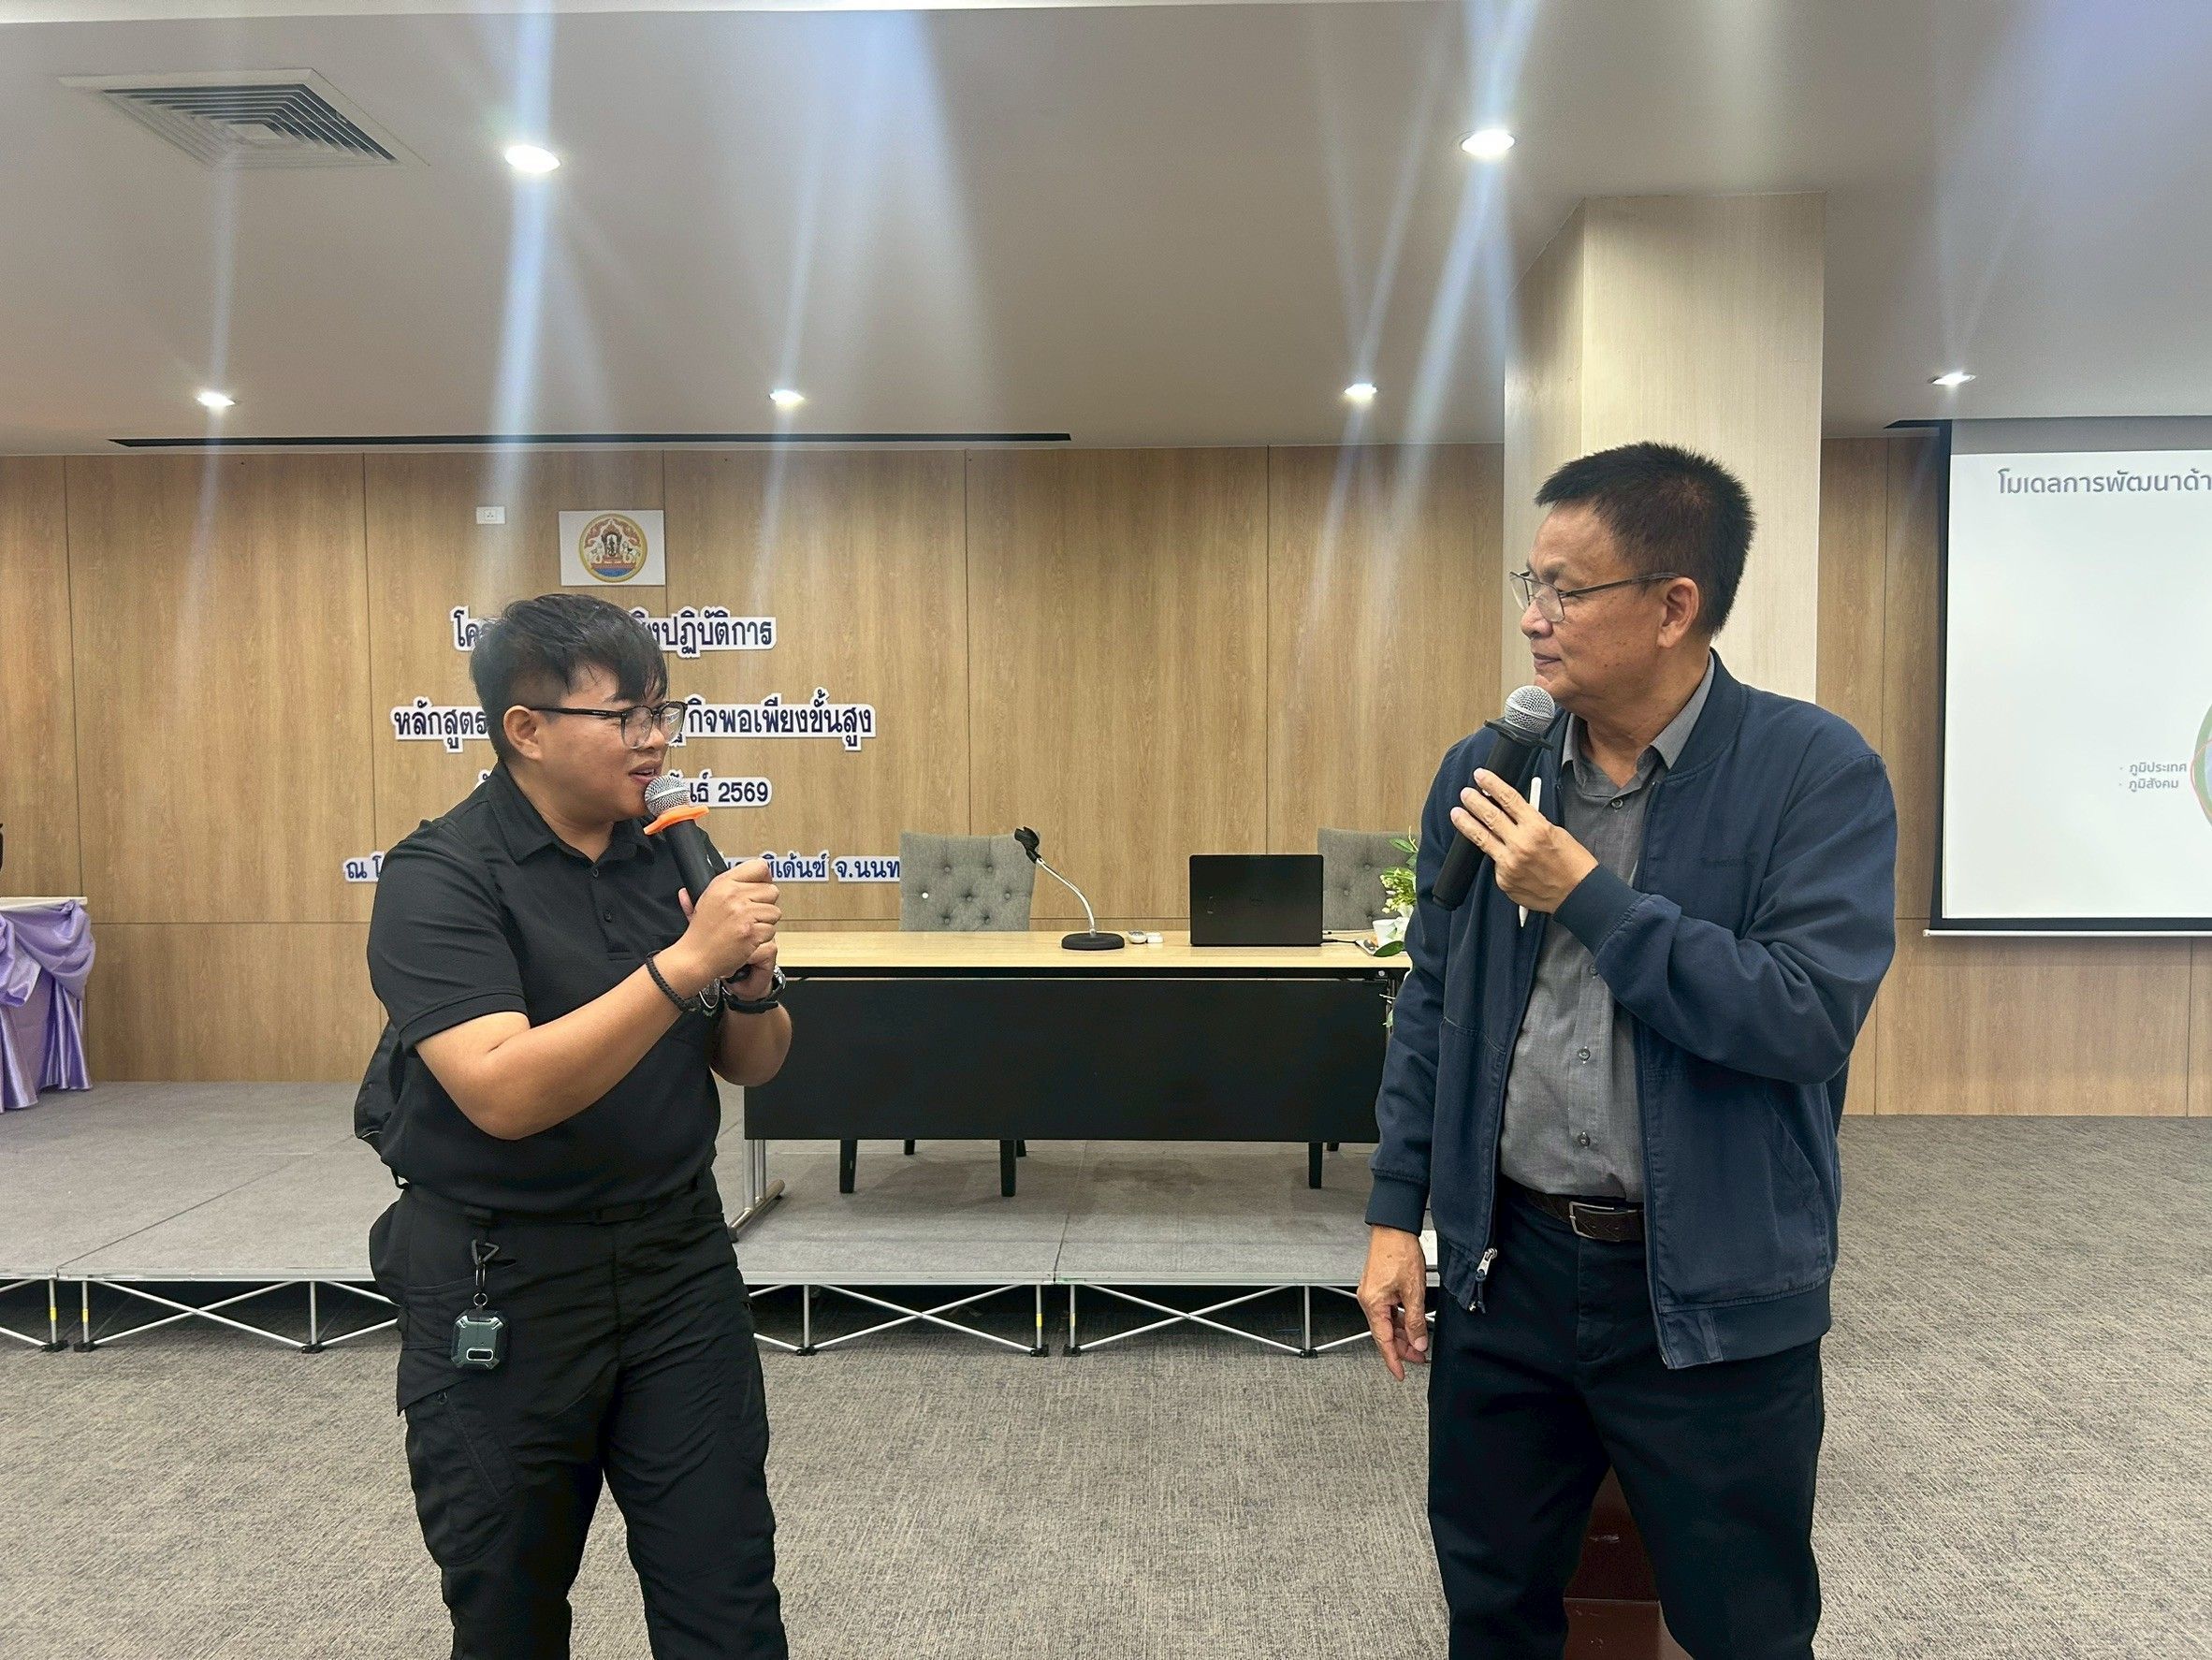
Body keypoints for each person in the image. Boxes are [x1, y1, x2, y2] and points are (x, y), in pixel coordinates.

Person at [1357, 442, 1898, 1659]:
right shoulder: (1489, 768)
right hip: (1508, 1270)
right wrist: (1398, 1215)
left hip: (1713, 1285)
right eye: (1530, 583)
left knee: (1744, 1627)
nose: (1533, 618)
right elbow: (1435, 1001)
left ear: (1673, 605)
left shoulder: (1815, 774)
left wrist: (1588, 894)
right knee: (1494, 1608)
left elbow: (1802, 1015)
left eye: (1567, 588)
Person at [366, 592, 793, 1659]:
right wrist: (686, 964)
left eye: (664, 711)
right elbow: (502, 1091)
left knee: (728, 1599)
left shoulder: (673, 852)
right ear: (526, 728)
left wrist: (750, 988)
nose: (655, 739)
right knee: (507, 1609)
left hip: (677, 1261)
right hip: (502, 1276)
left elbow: (754, 1063)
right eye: (625, 716)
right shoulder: (440, 876)